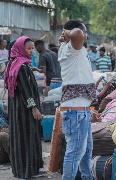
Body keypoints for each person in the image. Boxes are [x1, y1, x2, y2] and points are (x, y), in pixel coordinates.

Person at [58, 19, 95, 180]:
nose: (85, 35)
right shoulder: (70, 48)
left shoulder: (76, 49)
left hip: (81, 111)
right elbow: (77, 34)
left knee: (86, 151)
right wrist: (67, 33)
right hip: (75, 112)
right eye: (84, 31)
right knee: (75, 153)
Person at [4, 36, 43, 179]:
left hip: (17, 109)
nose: (32, 51)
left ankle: (22, 170)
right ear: (20, 48)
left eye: (32, 48)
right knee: (26, 138)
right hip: (25, 111)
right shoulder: (20, 66)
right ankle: (26, 172)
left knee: (19, 138)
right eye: (29, 48)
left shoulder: (15, 64)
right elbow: (26, 90)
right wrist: (34, 108)